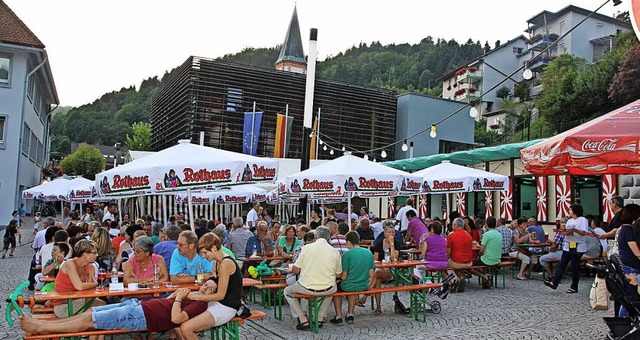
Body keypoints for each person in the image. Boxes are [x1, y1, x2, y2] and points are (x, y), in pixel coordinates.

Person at [19, 285, 208, 336]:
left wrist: (179, 298)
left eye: (209, 288)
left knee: (89, 322)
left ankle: (41, 329)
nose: (203, 288)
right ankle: (42, 323)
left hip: (140, 317)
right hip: (136, 306)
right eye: (205, 285)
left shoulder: (200, 304)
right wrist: (175, 295)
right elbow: (166, 302)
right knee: (88, 314)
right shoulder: (193, 297)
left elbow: (176, 318)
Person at [284, 226, 341, 330]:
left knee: (287, 292)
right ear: (329, 238)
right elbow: (338, 274)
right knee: (330, 291)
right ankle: (319, 318)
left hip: (307, 287)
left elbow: (296, 271)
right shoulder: (335, 251)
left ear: (315, 236)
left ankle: (302, 318)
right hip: (327, 288)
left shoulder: (306, 248)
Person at [52, 239, 106, 318]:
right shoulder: (70, 264)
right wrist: (96, 283)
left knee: (102, 305)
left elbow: (90, 293)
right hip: (64, 306)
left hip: (76, 301)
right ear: (85, 254)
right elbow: (79, 286)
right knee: (98, 310)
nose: (97, 255)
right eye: (94, 253)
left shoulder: (90, 267)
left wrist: (91, 274)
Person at [330, 231, 375, 325]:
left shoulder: (347, 255)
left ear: (349, 242)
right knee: (352, 287)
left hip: (349, 285)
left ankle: (338, 315)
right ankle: (350, 314)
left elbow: (344, 276)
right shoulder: (368, 252)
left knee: (336, 289)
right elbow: (371, 273)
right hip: (363, 284)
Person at [544, 204, 589, 293]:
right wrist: (564, 232)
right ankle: (555, 282)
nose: (569, 212)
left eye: (570, 210)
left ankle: (574, 286)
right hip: (568, 244)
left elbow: (583, 233)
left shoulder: (582, 220)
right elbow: (565, 232)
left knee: (574, 266)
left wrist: (574, 230)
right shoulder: (569, 221)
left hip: (578, 245)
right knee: (562, 264)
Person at [469, 216, 501, 289]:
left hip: (487, 260)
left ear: (486, 224)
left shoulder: (487, 234)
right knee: (479, 263)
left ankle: (485, 277)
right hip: (497, 259)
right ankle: (485, 279)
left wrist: (479, 255)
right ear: (495, 224)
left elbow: (482, 250)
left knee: (468, 265)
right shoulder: (499, 234)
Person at [446, 217, 473, 293]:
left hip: (457, 262)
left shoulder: (452, 235)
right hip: (468, 262)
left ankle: (453, 280)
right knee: (458, 264)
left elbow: (448, 252)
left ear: (455, 225)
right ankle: (461, 277)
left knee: (444, 265)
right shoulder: (468, 235)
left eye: (452, 224)